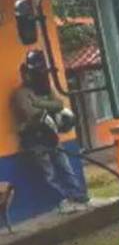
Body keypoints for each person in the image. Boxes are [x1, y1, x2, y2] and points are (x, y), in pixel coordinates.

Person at [12, 50, 89, 214]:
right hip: (34, 140)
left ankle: (79, 196)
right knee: (49, 174)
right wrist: (47, 107)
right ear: (26, 74)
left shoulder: (45, 90)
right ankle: (63, 200)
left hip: (51, 136)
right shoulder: (21, 94)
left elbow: (59, 104)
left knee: (65, 167)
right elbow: (33, 114)